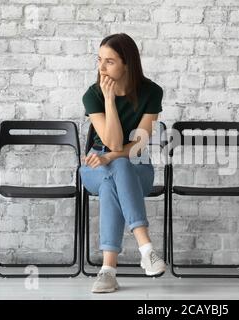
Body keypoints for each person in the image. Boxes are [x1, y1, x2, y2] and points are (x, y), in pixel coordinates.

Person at [79, 33, 166, 293]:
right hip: (95, 165)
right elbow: (115, 143)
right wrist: (109, 101)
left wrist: (111, 156)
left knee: (116, 173)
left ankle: (108, 271)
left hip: (137, 167)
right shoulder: (93, 95)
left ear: (127, 63)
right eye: (99, 60)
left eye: (109, 61)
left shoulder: (151, 92)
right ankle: (146, 249)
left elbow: (138, 144)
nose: (101, 67)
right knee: (112, 171)